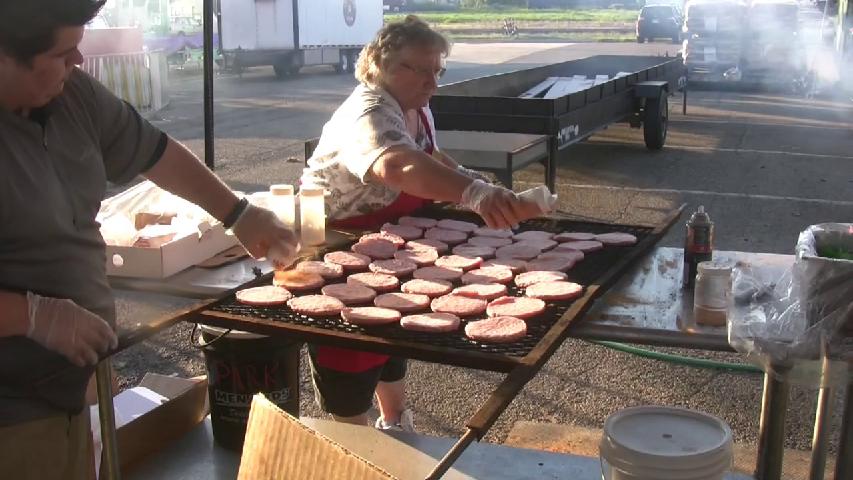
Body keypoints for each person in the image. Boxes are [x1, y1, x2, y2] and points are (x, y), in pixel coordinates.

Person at [0, 1, 298, 478]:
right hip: (11, 410)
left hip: (73, 388)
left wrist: (237, 213)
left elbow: (154, 151)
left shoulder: (71, 94)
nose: (78, 62)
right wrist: (34, 316)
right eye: (62, 53)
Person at [301, 16, 542, 431]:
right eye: (420, 69)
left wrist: (474, 181)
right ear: (381, 65)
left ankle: (396, 423)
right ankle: (357, 452)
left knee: (394, 336)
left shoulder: (414, 105)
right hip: (340, 246)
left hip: (393, 239)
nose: (432, 82)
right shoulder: (368, 114)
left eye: (437, 70)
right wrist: (473, 195)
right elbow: (397, 164)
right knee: (354, 350)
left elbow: (428, 154)